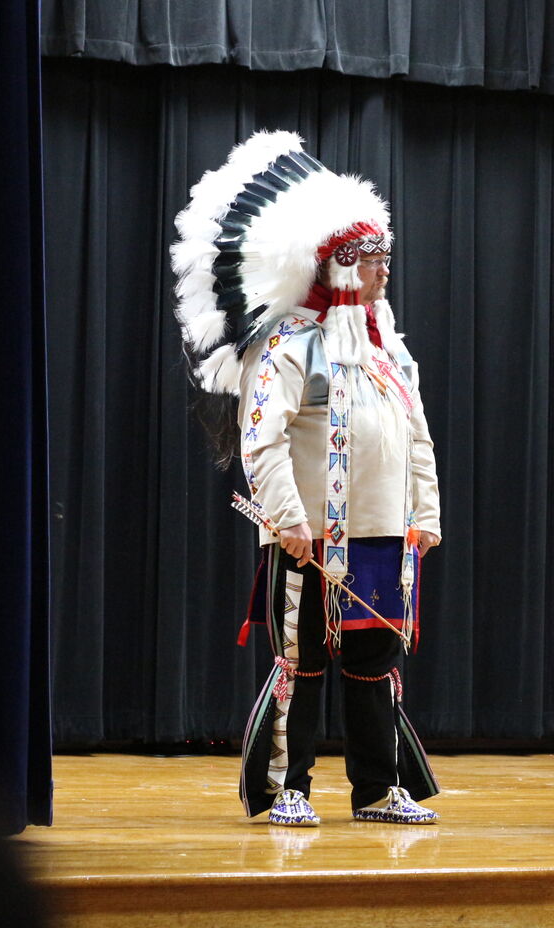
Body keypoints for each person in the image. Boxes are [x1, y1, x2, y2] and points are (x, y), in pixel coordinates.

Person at [171, 130, 443, 827]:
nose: (385, 270)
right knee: (303, 661)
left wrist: (427, 517)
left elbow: (416, 434)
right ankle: (283, 789)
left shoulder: (387, 349)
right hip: (312, 538)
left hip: (385, 540)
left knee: (375, 665)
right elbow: (260, 440)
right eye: (373, 259)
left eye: (384, 257)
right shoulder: (290, 344)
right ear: (341, 266)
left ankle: (378, 790)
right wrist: (289, 520)